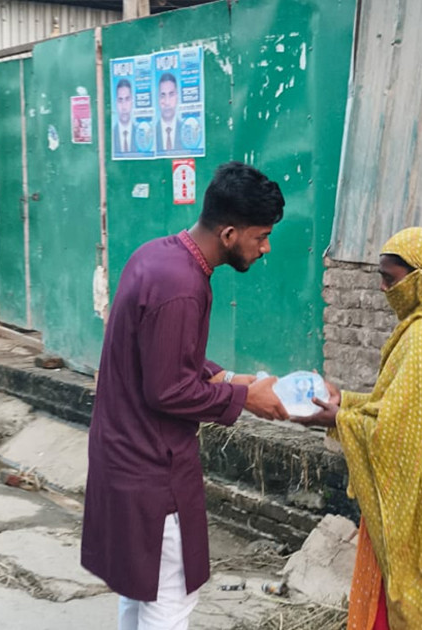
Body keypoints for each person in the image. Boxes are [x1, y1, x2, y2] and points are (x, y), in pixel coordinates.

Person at [81, 161, 289, 630]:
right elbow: (168, 389)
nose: (265, 248)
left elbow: (168, 357)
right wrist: (244, 400)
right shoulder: (183, 285)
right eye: (261, 236)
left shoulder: (157, 255)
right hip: (151, 470)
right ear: (231, 232)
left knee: (140, 593)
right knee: (170, 602)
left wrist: (232, 377)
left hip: (122, 455)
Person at [289, 227, 422, 630]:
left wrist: (338, 419)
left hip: (410, 519)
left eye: (390, 278)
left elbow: (397, 432)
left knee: (400, 606)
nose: (383, 288)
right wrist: (344, 400)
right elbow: (399, 409)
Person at [156, 72, 179, 153]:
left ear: (177, 96)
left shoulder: (187, 131)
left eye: (171, 94)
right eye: (162, 95)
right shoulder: (151, 133)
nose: (167, 102)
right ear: (158, 98)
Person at [113, 78, 133, 156]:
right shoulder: (111, 135)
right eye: (120, 100)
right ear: (116, 103)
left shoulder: (141, 134)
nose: (124, 106)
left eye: (127, 99)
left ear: (132, 101)